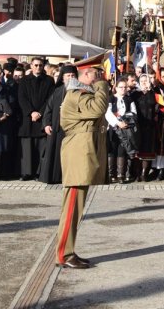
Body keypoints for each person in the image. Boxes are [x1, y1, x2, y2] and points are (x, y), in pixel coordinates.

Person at [56, 59, 110, 270]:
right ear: (87, 74)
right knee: (71, 208)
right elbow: (98, 109)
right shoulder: (77, 94)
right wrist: (102, 86)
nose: (100, 78)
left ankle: (67, 251)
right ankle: (64, 254)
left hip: (82, 152)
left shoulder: (81, 93)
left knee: (75, 208)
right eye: (97, 74)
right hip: (78, 154)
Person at [18, 57, 54, 181]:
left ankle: (39, 172)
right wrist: (31, 112)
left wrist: (40, 112)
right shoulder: (24, 80)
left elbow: (50, 99)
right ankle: (26, 172)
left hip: (42, 117)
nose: (38, 67)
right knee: (27, 148)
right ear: (31, 66)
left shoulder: (49, 81)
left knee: (41, 147)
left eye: (40, 65)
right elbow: (22, 98)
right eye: (36, 65)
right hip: (28, 119)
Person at [39, 65, 76, 185]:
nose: (70, 78)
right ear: (62, 78)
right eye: (68, 76)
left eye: (73, 76)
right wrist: (46, 124)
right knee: (56, 152)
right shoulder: (57, 91)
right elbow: (48, 110)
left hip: (73, 129)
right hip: (56, 128)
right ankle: (55, 177)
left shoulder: (80, 92)